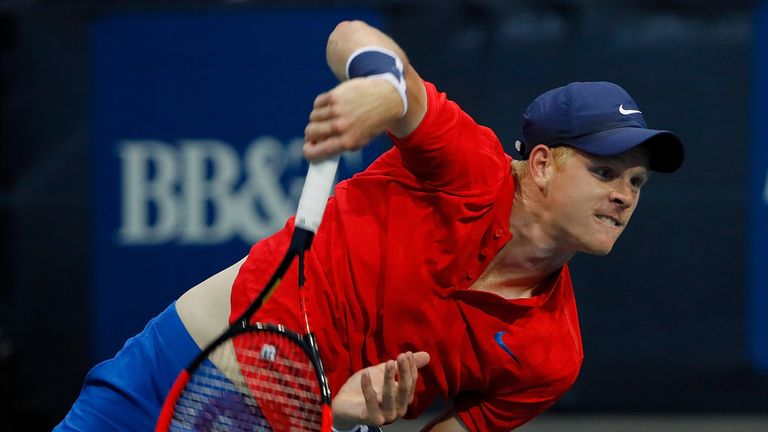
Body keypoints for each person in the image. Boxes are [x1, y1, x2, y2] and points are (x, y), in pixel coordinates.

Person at [56, 19, 683, 432]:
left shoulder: (551, 358)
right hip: (178, 366)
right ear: (542, 165)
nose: (625, 196)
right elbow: (348, 36)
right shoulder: (469, 169)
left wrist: (348, 416)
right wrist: (384, 88)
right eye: (606, 173)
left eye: (636, 183)